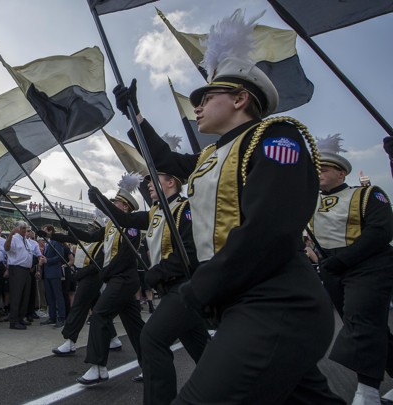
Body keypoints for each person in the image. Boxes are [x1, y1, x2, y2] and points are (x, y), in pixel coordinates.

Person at [113, 10, 343, 403]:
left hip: (278, 303)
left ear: (240, 98)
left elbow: (269, 230)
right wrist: (136, 116)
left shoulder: (277, 136)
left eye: (206, 97)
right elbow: (165, 159)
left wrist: (197, 290)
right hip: (244, 301)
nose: (197, 105)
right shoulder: (210, 158)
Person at [93, 173, 209, 400]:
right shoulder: (156, 212)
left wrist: (157, 273)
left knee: (151, 338)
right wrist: (100, 201)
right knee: (204, 352)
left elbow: (190, 253)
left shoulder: (185, 209)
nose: (148, 184)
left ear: (171, 182)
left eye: (156, 179)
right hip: (170, 291)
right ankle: (227, 389)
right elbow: (125, 219)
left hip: (184, 288)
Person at [311, 151, 393, 405]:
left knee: (360, 321)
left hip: (370, 264)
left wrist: (342, 260)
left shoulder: (367, 194)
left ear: (341, 172)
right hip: (334, 270)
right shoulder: (309, 203)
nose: (318, 174)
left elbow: (382, 231)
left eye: (324, 169)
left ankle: (367, 392)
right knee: (370, 327)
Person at [66, 175, 144, 385]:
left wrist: (105, 273)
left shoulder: (132, 227)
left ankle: (98, 367)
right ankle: (151, 364)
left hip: (124, 279)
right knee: (135, 325)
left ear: (125, 207)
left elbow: (127, 256)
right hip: (117, 279)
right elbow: (89, 237)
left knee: (99, 315)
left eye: (116, 203)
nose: (113, 205)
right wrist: (68, 228)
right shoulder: (110, 226)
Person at [45, 214, 122, 357]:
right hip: (85, 277)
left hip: (92, 278)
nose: (89, 229)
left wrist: (80, 274)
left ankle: (70, 341)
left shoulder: (104, 244)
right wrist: (50, 235)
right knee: (98, 309)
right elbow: (67, 238)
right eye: (89, 227)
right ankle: (114, 339)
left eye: (92, 228)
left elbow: (97, 265)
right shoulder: (86, 241)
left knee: (78, 307)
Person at [38, 225, 71, 328]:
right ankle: (52, 317)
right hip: (48, 273)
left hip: (54, 273)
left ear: (49, 231)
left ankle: (61, 318)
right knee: (50, 297)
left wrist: (47, 260)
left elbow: (59, 256)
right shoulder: (49, 242)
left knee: (58, 296)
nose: (43, 233)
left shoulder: (56, 242)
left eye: (44, 231)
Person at [4, 221, 35, 330]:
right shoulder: (14, 238)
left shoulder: (26, 240)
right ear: (16, 228)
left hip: (26, 270)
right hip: (17, 269)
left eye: (25, 228)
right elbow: (7, 248)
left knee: (25, 296)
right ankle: (13, 321)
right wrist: (11, 234)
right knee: (16, 295)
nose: (24, 230)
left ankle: (20, 318)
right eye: (22, 228)